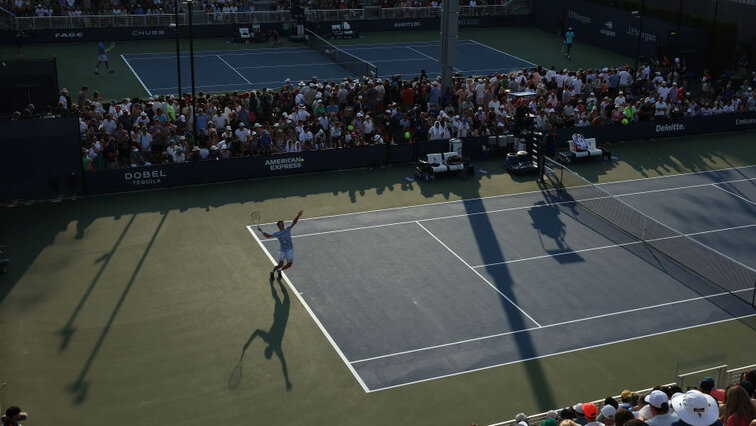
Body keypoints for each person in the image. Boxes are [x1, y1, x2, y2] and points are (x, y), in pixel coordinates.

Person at [258, 210, 304, 279]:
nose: (283, 224)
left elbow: (294, 223)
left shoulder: (288, 229)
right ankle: (272, 272)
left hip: (290, 249)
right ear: (278, 226)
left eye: (283, 223)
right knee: (280, 264)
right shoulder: (277, 233)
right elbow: (268, 236)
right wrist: (262, 231)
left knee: (289, 265)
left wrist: (298, 216)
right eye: (281, 224)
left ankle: (280, 270)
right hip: (282, 250)